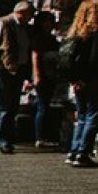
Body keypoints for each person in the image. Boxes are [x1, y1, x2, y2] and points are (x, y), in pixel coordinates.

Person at [64, 0, 98, 167]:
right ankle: (83, 152)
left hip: (78, 80)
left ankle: (74, 151)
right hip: (94, 78)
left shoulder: (76, 32)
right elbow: (95, 59)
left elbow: (69, 59)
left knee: (81, 116)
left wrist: (75, 78)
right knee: (93, 114)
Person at [0, 0, 32, 154]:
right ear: (21, 12)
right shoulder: (2, 24)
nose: (31, 17)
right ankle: (4, 140)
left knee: (13, 105)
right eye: (30, 14)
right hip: (3, 70)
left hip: (17, 69)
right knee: (4, 105)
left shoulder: (24, 27)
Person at [27, 9, 65, 148]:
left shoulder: (51, 37)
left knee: (46, 105)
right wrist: (37, 75)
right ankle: (40, 137)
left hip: (50, 74)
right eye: (49, 20)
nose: (52, 23)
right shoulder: (39, 38)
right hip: (43, 74)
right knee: (42, 105)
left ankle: (46, 135)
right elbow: (35, 56)